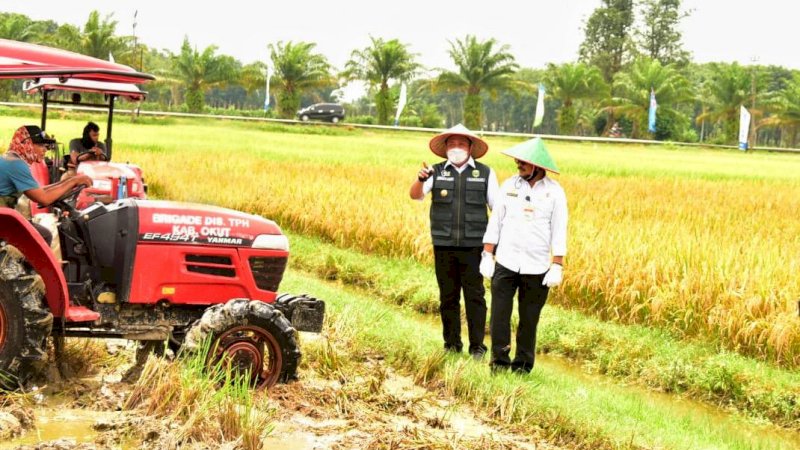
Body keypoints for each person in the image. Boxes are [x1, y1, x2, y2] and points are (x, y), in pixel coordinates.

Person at [410, 124, 499, 359]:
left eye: (461, 144)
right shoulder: (435, 171)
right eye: (452, 144)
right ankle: (451, 344)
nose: (456, 148)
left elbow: (497, 210)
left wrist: (491, 248)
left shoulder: (485, 173)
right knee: (448, 296)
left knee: (475, 297)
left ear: (470, 147)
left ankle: (477, 346)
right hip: (444, 245)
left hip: (474, 246)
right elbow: (416, 195)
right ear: (445, 148)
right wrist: (420, 179)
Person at [480, 137, 568, 374]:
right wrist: (487, 254)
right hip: (506, 261)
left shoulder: (555, 193)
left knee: (529, 319)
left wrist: (557, 264)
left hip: (537, 266)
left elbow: (559, 230)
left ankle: (522, 366)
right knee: (499, 315)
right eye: (518, 159)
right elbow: (495, 221)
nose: (518, 163)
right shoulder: (509, 185)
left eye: (524, 161)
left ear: (538, 166)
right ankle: (498, 362)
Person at [1, 125, 92, 244]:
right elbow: (43, 198)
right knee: (43, 236)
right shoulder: (16, 164)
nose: (45, 149)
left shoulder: (12, 159)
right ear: (26, 144)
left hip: (3, 215)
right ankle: (13, 261)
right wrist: (73, 181)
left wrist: (68, 182)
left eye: (45, 145)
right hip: (2, 219)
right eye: (40, 145)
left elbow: (38, 191)